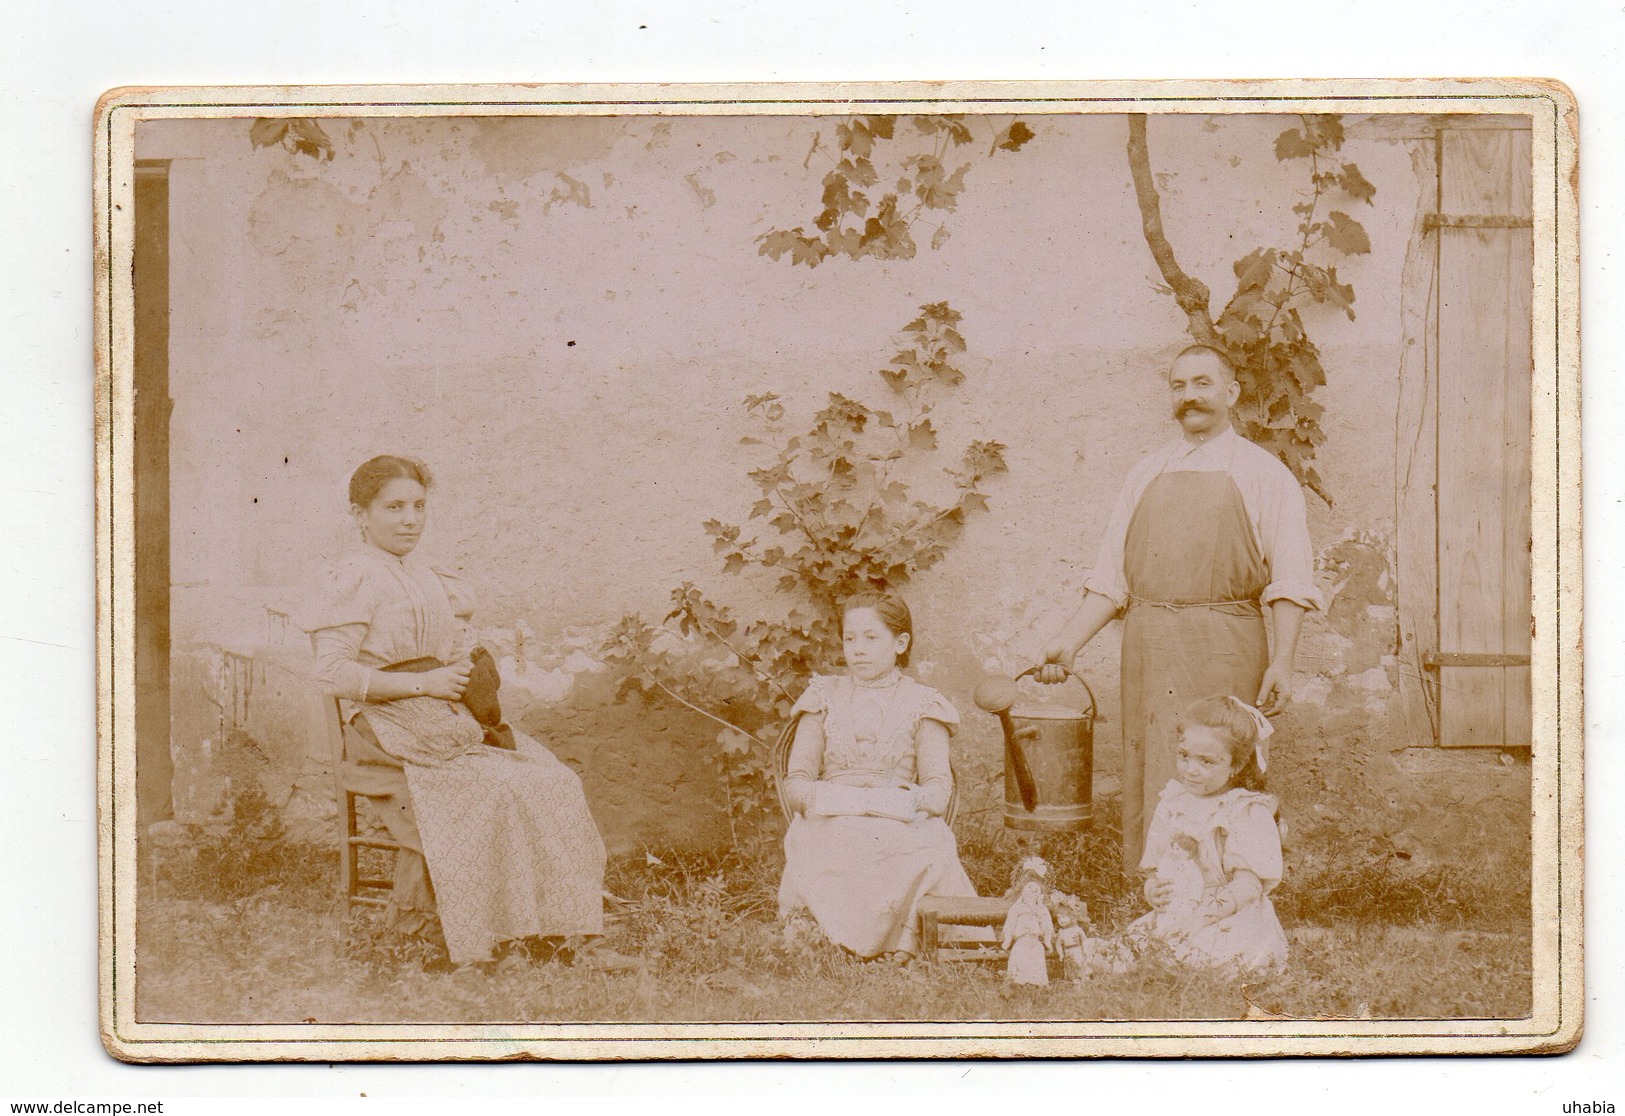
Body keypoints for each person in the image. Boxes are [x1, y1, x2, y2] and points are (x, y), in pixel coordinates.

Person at [304, 455, 611, 968]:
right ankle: (479, 935)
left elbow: (451, 653)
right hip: (384, 729)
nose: (410, 519)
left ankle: (561, 931)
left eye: (419, 507)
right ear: (360, 515)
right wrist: (423, 681)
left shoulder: (430, 579)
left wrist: (470, 660)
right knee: (496, 788)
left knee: (553, 780)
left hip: (445, 724)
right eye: (394, 507)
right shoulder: (353, 577)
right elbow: (331, 674)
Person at [1038, 344, 1321, 871]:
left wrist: (1282, 660)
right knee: (1159, 764)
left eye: (1202, 383)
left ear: (1231, 393)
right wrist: (1067, 644)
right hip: (1150, 646)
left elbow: (1290, 579)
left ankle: (1236, 885)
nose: (1189, 396)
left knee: (1224, 760)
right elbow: (1110, 579)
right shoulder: (1146, 472)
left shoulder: (1265, 474)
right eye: (1178, 386)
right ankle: (1156, 887)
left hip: (1227, 643)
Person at [778, 590, 980, 961]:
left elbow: (938, 790)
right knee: (824, 835)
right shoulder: (822, 696)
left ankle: (905, 940)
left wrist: (896, 803)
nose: (858, 649)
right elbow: (796, 781)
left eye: (872, 638)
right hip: (832, 813)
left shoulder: (924, 703)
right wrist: (827, 800)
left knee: (927, 842)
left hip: (899, 812)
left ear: (900, 643)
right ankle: (825, 939)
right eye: (850, 639)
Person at [1079, 695, 1289, 976]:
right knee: (1137, 945)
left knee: (1206, 953)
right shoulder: (1174, 801)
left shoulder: (1245, 810)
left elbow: (1247, 887)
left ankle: (1165, 964)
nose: (1191, 770)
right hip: (1178, 910)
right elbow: (1158, 865)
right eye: (1185, 756)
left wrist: (1198, 920)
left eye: (1206, 761)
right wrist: (1153, 889)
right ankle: (1130, 960)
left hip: (1229, 914)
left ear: (1235, 765)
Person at [1001, 879, 1054, 986]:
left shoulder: (1040, 908)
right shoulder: (1017, 908)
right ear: (1023, 893)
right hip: (1021, 940)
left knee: (1036, 956)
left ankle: (1035, 983)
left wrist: (1047, 940)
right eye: (1029, 889)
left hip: (1034, 940)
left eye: (1035, 890)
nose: (1032, 892)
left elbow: (1046, 925)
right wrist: (1007, 939)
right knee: (1019, 956)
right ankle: (1018, 982)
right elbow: (1010, 923)